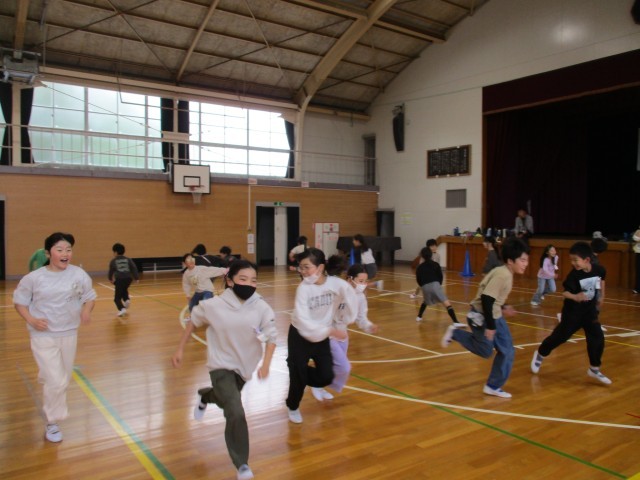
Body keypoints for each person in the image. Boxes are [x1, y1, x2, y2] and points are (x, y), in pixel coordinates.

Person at [172, 259, 277, 480]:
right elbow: (193, 321)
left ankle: (205, 395)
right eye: (243, 279)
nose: (249, 284)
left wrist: (266, 364)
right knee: (235, 411)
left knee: (226, 399)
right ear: (229, 281)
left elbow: (271, 337)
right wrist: (180, 348)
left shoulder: (261, 306)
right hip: (220, 365)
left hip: (245, 367)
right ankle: (242, 464)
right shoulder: (214, 305)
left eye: (254, 280)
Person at [13, 232, 97, 443]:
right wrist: (32, 320)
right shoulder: (34, 278)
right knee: (57, 381)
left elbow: (89, 297)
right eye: (59, 250)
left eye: (68, 249)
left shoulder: (79, 274)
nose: (65, 253)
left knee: (63, 378)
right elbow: (20, 302)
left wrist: (87, 311)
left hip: (69, 333)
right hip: (43, 334)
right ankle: (52, 422)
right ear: (48, 253)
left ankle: (47, 375)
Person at [440, 237, 530, 399]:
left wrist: (503, 307)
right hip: (483, 316)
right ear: (510, 261)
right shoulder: (503, 275)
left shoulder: (504, 272)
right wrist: (490, 326)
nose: (526, 264)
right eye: (522, 260)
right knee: (490, 351)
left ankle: (492, 386)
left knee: (503, 351)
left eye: (526, 260)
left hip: (493, 315)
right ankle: (456, 333)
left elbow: (491, 297)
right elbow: (487, 299)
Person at [285, 247, 356, 424]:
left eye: (306, 267)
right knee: (298, 375)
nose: (302, 271)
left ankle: (300, 372)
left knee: (326, 376)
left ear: (320, 267)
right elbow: (303, 320)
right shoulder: (303, 289)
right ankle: (293, 406)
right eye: (300, 267)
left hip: (322, 335)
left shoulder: (335, 284)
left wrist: (349, 318)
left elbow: (351, 295)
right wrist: (330, 331)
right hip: (300, 335)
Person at [530, 242, 611, 385]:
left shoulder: (599, 269)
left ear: (586, 260)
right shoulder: (574, 275)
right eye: (571, 260)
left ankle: (594, 368)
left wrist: (602, 296)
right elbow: (565, 292)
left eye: (575, 260)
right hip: (572, 313)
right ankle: (541, 353)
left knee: (597, 337)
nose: (573, 263)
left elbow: (602, 279)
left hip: (589, 312)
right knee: (559, 337)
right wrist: (575, 297)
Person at [310, 259, 379, 402]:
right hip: (328, 333)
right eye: (360, 281)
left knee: (333, 365)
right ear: (349, 279)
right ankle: (316, 383)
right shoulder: (337, 291)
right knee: (344, 367)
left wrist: (369, 326)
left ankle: (320, 385)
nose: (363, 284)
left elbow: (361, 318)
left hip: (342, 334)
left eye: (365, 281)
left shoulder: (361, 298)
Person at [415, 247, 463, 326]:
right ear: (431, 255)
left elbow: (418, 280)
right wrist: (438, 285)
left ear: (422, 256)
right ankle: (456, 322)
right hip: (435, 285)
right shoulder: (435, 264)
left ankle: (419, 317)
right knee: (446, 303)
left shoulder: (419, 267)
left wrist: (423, 286)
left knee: (425, 301)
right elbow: (440, 276)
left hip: (424, 286)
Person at [182, 253, 228, 317]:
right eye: (188, 259)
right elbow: (186, 284)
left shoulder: (201, 269)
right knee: (191, 306)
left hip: (207, 291)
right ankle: (193, 318)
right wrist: (188, 295)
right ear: (185, 263)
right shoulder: (186, 274)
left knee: (205, 303)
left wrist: (225, 270)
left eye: (192, 259)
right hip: (198, 292)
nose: (191, 261)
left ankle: (212, 316)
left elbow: (213, 270)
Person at [108, 243, 140, 317]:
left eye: (113, 252)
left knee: (117, 298)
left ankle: (122, 309)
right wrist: (136, 278)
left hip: (120, 279)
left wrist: (110, 278)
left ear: (116, 252)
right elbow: (134, 268)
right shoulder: (128, 259)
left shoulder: (113, 261)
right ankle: (126, 300)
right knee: (124, 289)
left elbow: (111, 271)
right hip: (128, 279)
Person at [633, 226, 640, 294]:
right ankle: (637, 288)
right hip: (638, 253)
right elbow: (635, 238)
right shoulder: (638, 231)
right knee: (638, 271)